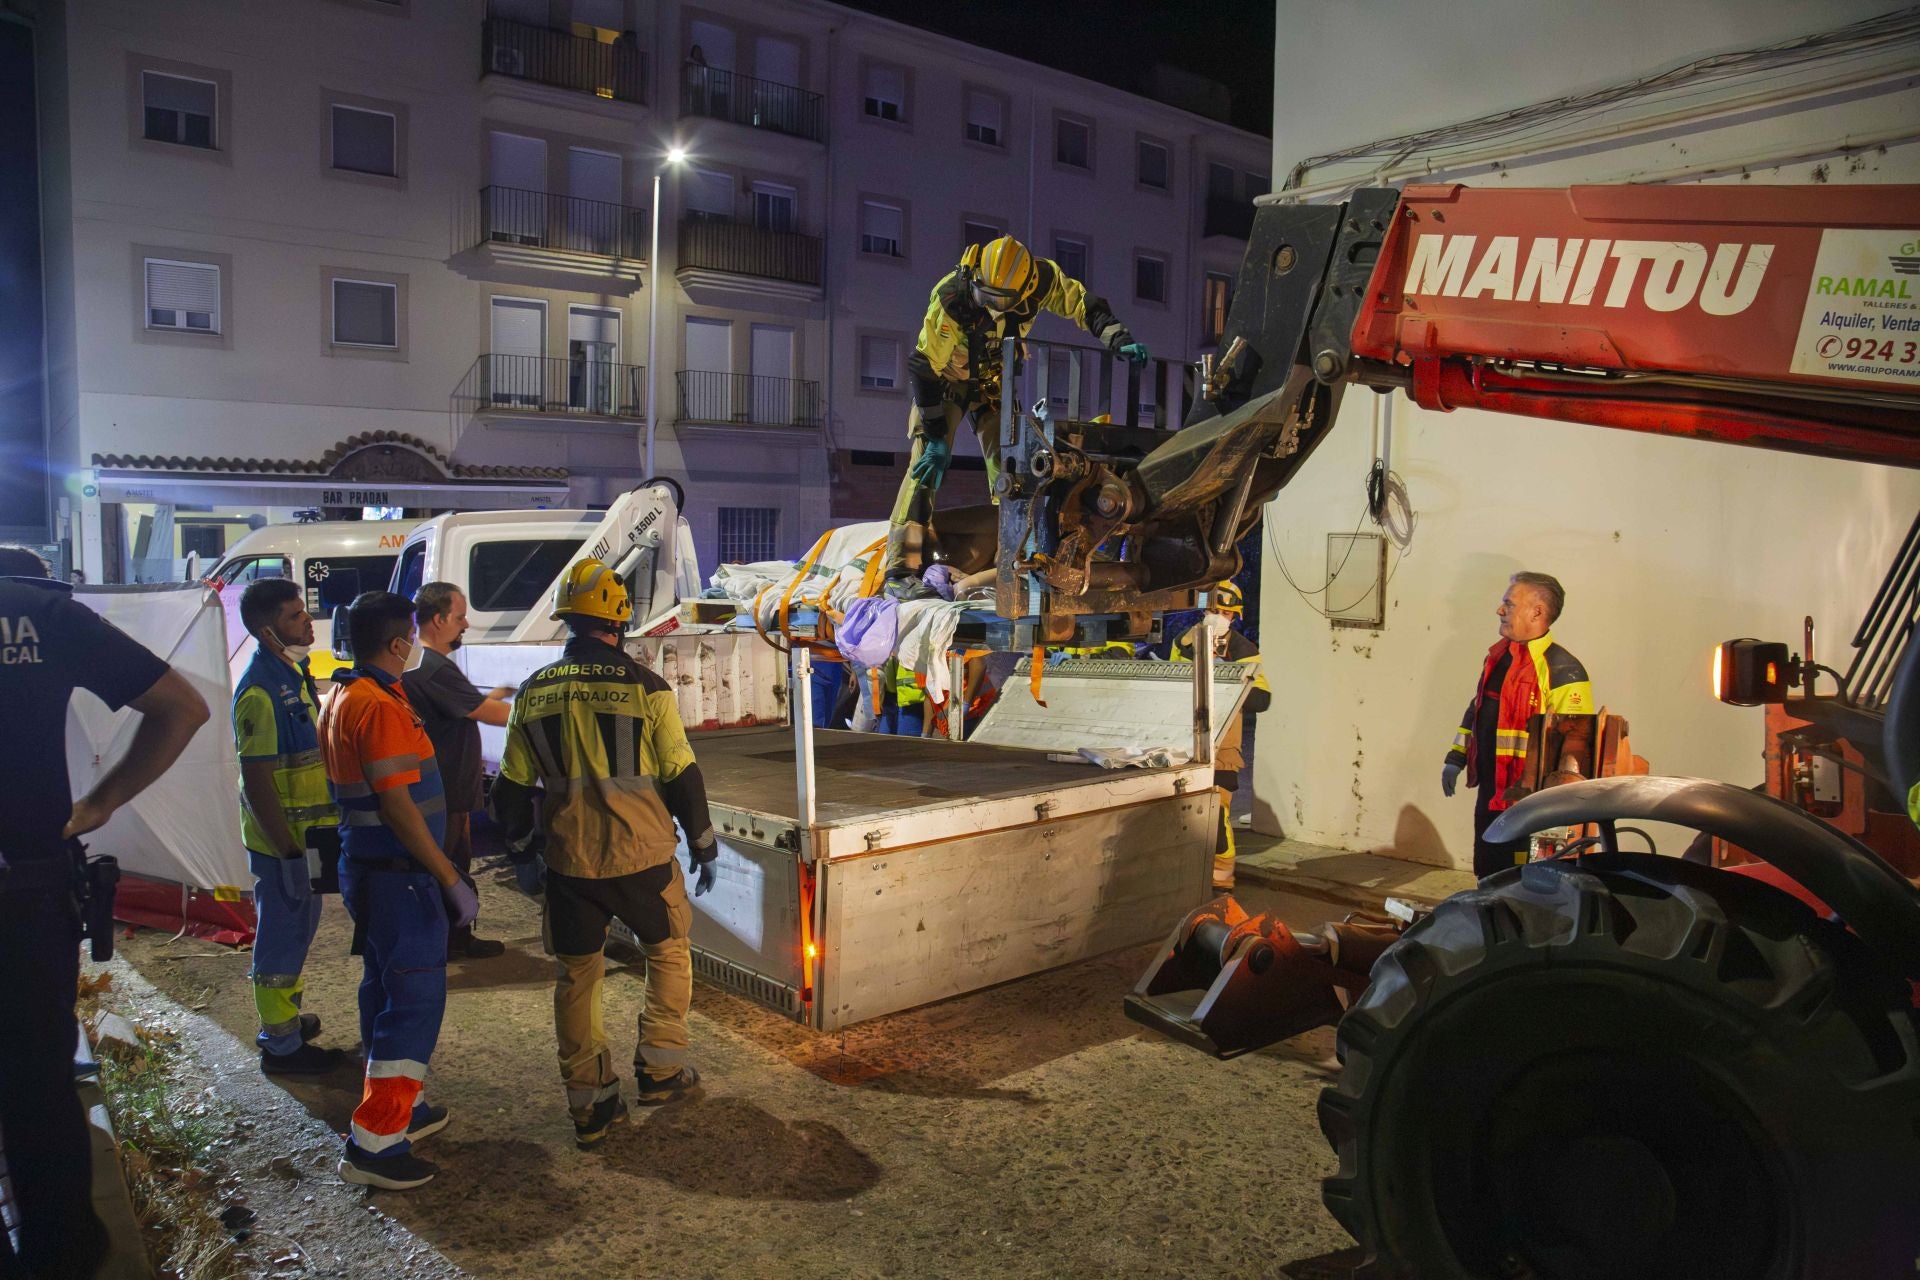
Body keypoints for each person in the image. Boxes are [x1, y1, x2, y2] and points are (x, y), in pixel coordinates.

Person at [0, 544, 209, 1277]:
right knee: (37, 1083)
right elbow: (184, 708)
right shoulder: (41, 613)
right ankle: (61, 1254)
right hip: (22, 893)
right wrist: (99, 805)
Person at [492, 559, 717, 1149]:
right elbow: (682, 774)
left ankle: (591, 1105)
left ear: (569, 620)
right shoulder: (648, 689)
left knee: (577, 977)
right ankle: (662, 1071)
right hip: (642, 859)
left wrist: (520, 851)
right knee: (668, 955)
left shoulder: (534, 692)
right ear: (619, 620)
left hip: (570, 865)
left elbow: (511, 790)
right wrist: (702, 840)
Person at [884, 234, 1150, 598]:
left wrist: (1117, 338)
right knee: (925, 469)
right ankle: (900, 570)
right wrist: (933, 436)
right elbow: (924, 366)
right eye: (985, 295)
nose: (990, 306)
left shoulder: (1042, 280)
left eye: (998, 300)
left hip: (992, 383)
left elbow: (1083, 305)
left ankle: (1012, 561)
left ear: (1023, 292)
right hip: (945, 381)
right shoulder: (953, 298)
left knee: (1011, 470)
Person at [319, 590, 476, 1191]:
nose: (415, 643)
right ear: (396, 643)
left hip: (374, 872)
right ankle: (376, 1145)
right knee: (412, 1004)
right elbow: (398, 804)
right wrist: (448, 875)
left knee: (383, 990)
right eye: (412, 633)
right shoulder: (379, 706)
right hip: (401, 876)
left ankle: (396, 1112)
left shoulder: (349, 693)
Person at [233, 578, 346, 1076]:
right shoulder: (260, 690)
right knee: (280, 939)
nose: (307, 621)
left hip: (310, 838)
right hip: (285, 846)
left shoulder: (294, 673)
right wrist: (287, 852)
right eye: (295, 616)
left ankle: (288, 1021)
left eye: (304, 612)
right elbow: (257, 783)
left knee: (299, 932)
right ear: (267, 629)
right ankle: (280, 1046)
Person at [1442, 572, 1593, 877]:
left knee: (1528, 882)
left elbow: (1578, 742)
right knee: (1488, 871)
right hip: (1492, 795)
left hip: (1534, 806)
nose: (1500, 610)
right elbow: (1478, 711)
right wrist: (1456, 758)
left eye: (1508, 604)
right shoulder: (1498, 658)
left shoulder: (1563, 669)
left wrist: (1562, 808)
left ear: (1536, 612)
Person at [404, 582, 513, 960]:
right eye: (460, 616)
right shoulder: (434, 669)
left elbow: (463, 707)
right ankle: (453, 940)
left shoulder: (418, 662)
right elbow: (492, 716)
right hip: (446, 790)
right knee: (450, 864)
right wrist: (545, 709)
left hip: (441, 788)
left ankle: (450, 938)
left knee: (447, 861)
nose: (466, 623)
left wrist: (491, 696)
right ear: (438, 620)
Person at [1169, 581, 1270, 890]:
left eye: (1225, 611)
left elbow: (1262, 699)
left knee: (1218, 818)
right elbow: (1171, 683)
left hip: (1222, 752)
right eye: (1214, 610)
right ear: (1204, 610)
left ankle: (1222, 882)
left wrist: (1225, 675)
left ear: (1235, 616)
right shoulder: (1184, 642)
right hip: (1183, 747)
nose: (1218, 616)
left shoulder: (1243, 650)